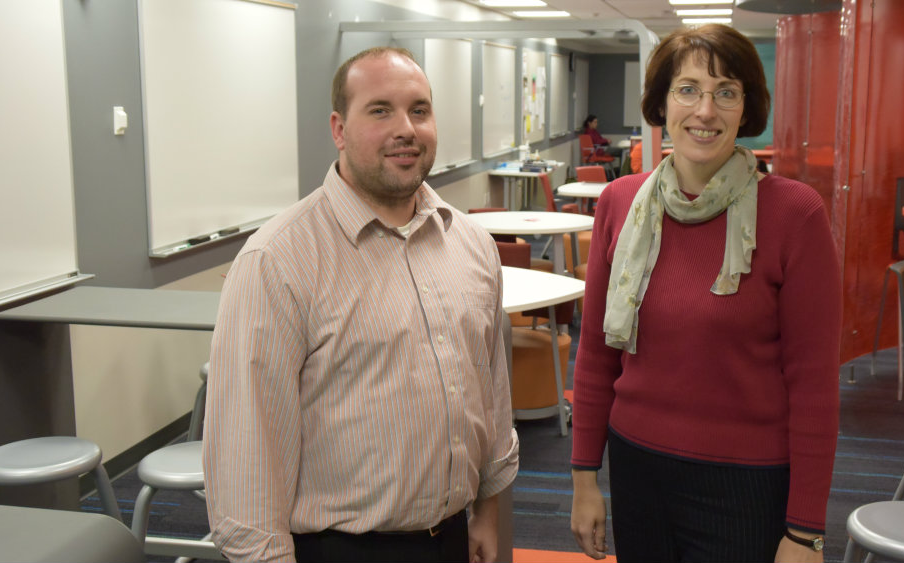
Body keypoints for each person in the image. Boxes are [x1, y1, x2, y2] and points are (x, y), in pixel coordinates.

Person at [203, 46, 518, 563]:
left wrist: (488, 508)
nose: (407, 129)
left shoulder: (471, 244)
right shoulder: (277, 261)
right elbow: (247, 457)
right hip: (340, 548)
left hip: (452, 537)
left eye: (419, 110)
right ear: (339, 128)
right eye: (380, 110)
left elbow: (491, 394)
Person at [569, 24, 841, 563]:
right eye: (688, 88)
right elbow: (597, 355)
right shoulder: (620, 204)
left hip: (747, 481)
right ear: (662, 101)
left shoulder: (795, 213)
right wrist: (583, 478)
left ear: (747, 108)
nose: (705, 110)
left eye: (726, 91)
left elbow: (813, 385)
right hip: (636, 467)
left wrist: (806, 530)